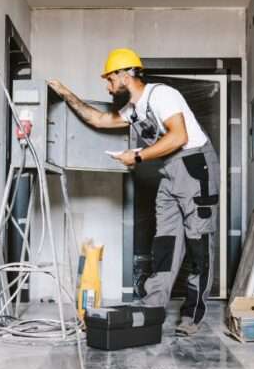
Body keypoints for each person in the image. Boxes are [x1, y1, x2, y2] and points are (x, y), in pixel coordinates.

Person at [48, 48, 219, 337]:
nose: (107, 85)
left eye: (110, 78)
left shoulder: (161, 95)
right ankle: (154, 306)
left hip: (195, 165)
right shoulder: (133, 110)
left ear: (125, 75)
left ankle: (193, 314)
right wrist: (66, 93)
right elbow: (99, 120)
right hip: (169, 171)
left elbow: (180, 136)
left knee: (198, 244)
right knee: (165, 242)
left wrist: (138, 156)